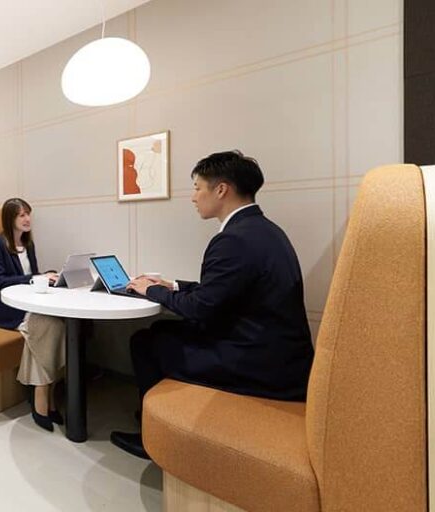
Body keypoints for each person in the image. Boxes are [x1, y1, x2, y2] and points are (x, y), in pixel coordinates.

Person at [112, 150, 315, 459]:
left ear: (221, 190)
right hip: (278, 354)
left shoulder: (233, 240)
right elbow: (224, 292)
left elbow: (200, 308)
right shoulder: (264, 230)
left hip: (258, 364)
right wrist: (172, 285)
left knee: (146, 341)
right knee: (161, 330)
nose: (193, 197)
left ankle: (152, 437)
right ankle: (152, 419)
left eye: (197, 187)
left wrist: (149, 290)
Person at [0, 198, 67, 432]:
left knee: (59, 324)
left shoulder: (28, 244)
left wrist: (47, 276)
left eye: (28, 214)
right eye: (21, 215)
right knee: (48, 327)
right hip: (7, 308)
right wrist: (35, 278)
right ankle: (43, 395)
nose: (27, 219)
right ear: (9, 218)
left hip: (30, 303)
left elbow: (33, 275)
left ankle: (43, 393)